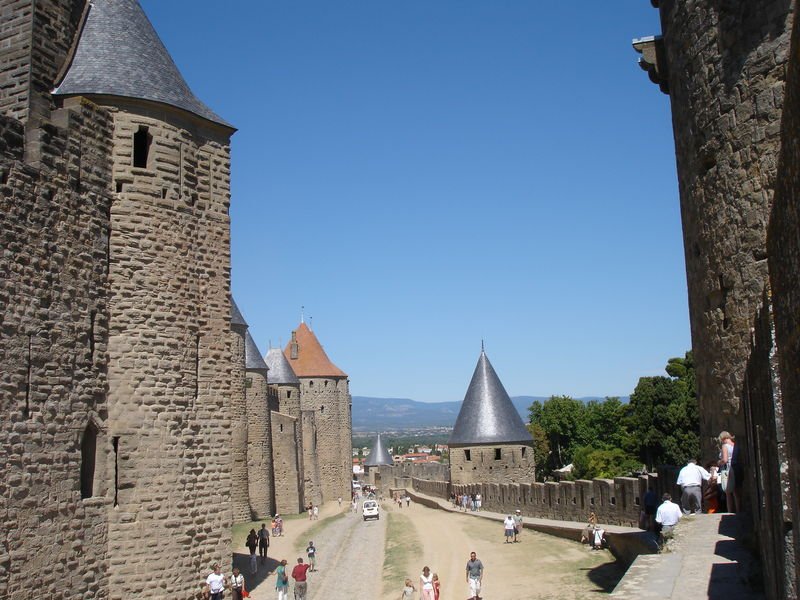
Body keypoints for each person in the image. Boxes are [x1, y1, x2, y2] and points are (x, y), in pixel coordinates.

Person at [718, 431, 739, 513]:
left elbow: (725, 459)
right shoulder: (735, 445)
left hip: (728, 469)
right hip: (737, 468)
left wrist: (719, 462)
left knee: (728, 491)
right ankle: (738, 510)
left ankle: (730, 511)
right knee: (736, 492)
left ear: (723, 438)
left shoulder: (725, 446)